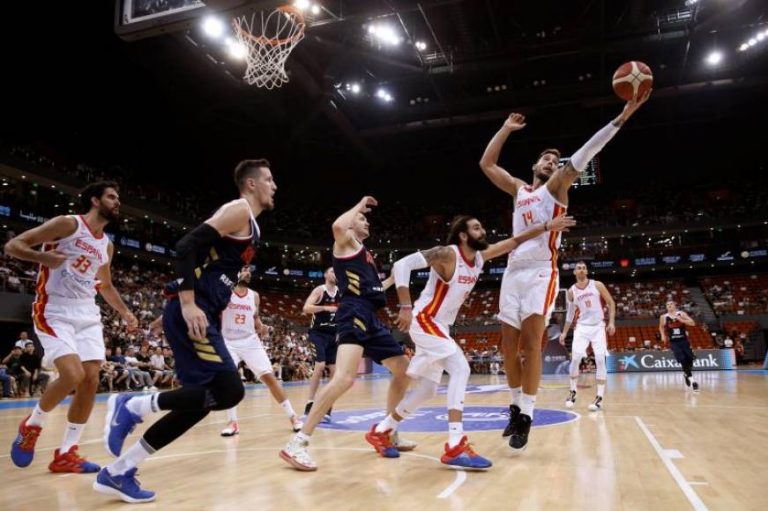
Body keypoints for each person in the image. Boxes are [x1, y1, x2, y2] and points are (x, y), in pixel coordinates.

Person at [95, 159, 276, 503]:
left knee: (201, 404)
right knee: (230, 391)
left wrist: (176, 312)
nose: (274, 185)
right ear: (251, 184)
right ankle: (131, 404)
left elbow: (213, 269)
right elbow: (186, 245)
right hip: (195, 311)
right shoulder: (238, 209)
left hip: (196, 313)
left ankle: (118, 471)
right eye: (268, 179)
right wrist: (187, 302)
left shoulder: (251, 225)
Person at [479, 91, 650, 452]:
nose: (552, 163)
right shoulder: (518, 190)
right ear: (534, 165)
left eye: (557, 160)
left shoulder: (557, 189)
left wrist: (620, 119)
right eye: (547, 158)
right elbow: (487, 164)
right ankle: (514, 407)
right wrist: (506, 129)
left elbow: (587, 151)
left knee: (530, 345)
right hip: (512, 271)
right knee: (508, 348)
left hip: (542, 271)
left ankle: (526, 413)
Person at [377, 213, 574, 469]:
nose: (483, 231)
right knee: (461, 368)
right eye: (477, 228)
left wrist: (547, 226)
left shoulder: (479, 257)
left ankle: (383, 430)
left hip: (440, 326)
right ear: (463, 235)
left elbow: (515, 240)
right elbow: (402, 265)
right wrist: (404, 305)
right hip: (425, 319)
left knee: (427, 390)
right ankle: (455, 444)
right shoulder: (447, 253)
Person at [5, 181, 137, 473]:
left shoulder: (107, 244)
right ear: (94, 200)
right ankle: (32, 424)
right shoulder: (68, 224)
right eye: (112, 197)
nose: (118, 203)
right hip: (54, 309)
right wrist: (42, 257)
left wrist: (126, 312)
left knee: (90, 379)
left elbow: (106, 284)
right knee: (72, 374)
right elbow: (13, 245)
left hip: (87, 313)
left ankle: (66, 453)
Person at [280, 196, 414, 471]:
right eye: (362, 219)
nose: (366, 222)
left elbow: (379, 286)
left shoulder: (365, 254)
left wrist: (402, 272)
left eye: (365, 218)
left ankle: (388, 431)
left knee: (403, 368)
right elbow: (338, 226)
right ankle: (298, 442)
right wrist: (358, 206)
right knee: (343, 379)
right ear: (352, 225)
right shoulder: (345, 244)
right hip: (353, 312)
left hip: (371, 317)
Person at [218, 266, 303, 435]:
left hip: (250, 341)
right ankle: (232, 422)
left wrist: (262, 327)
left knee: (270, 379)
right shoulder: (225, 292)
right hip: (228, 341)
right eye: (244, 269)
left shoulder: (254, 296)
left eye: (250, 271)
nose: (248, 273)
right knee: (229, 380)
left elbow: (255, 318)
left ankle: (293, 417)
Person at [559, 261, 616, 411]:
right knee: (576, 358)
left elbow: (610, 302)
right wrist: (564, 332)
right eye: (579, 268)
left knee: (600, 360)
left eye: (584, 268)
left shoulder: (597, 285)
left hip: (598, 327)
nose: (582, 270)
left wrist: (611, 322)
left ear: (587, 271)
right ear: (574, 272)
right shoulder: (571, 291)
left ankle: (599, 397)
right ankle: (572, 392)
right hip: (582, 328)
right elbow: (570, 315)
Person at [301, 267, 339, 421]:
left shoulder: (341, 292)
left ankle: (327, 406)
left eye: (337, 272)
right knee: (320, 365)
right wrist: (324, 307)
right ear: (325, 275)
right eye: (332, 271)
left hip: (332, 335)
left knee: (335, 371)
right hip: (317, 334)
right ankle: (310, 402)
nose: (335, 273)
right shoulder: (320, 290)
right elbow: (306, 308)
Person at [660, 300, 699, 392]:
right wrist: (663, 335)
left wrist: (682, 320)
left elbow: (693, 323)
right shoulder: (663, 317)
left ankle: (686, 374)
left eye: (671, 304)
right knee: (682, 360)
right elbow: (661, 326)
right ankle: (693, 381)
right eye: (667, 304)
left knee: (690, 360)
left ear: (675, 305)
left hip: (684, 341)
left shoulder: (681, 314)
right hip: (674, 342)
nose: (669, 305)